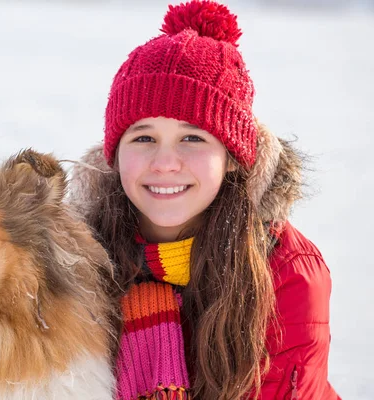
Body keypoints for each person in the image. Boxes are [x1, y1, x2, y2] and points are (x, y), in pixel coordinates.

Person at [68, 1, 340, 399]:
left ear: (232, 157)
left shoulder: (285, 270)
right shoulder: (80, 258)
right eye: (143, 138)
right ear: (114, 154)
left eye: (192, 138)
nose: (164, 163)